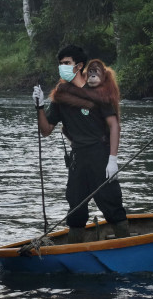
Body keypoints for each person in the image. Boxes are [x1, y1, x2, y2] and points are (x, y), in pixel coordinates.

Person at [31, 44, 129, 243]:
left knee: (111, 202)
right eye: (60, 64)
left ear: (79, 66)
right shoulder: (61, 95)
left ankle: (127, 244)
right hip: (78, 158)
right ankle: (73, 248)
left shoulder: (98, 91)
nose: (62, 68)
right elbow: (46, 130)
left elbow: (114, 126)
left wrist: (112, 159)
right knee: (75, 206)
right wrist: (40, 106)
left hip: (100, 155)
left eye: (67, 63)